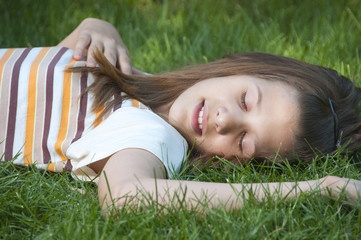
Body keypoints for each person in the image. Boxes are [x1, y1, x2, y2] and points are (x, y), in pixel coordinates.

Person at [0, 18, 360, 211]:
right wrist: (95, 28)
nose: (226, 120)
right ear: (242, 68)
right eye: (246, 100)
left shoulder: (153, 134)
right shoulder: (138, 82)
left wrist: (315, 189)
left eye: (244, 141)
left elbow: (125, 196)